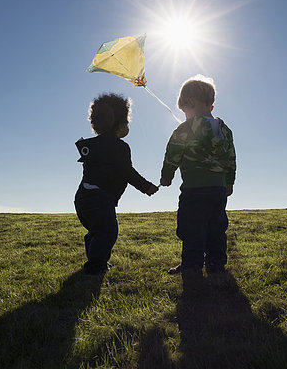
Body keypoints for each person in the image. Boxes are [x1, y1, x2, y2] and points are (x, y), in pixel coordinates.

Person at [160, 75, 236, 276]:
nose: (184, 115)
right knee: (216, 228)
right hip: (218, 189)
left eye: (185, 110)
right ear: (211, 105)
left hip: (195, 190)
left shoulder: (185, 129)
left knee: (192, 227)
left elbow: (172, 153)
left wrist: (166, 175)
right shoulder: (225, 130)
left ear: (190, 103)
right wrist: (229, 181)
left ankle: (192, 265)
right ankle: (216, 264)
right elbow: (231, 158)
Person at [74, 93, 158, 275]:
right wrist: (147, 187)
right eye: (126, 122)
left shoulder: (93, 147)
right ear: (119, 124)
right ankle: (96, 266)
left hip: (83, 198)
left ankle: (96, 261)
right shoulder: (120, 147)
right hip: (100, 198)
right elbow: (127, 172)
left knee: (97, 231)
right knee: (108, 231)